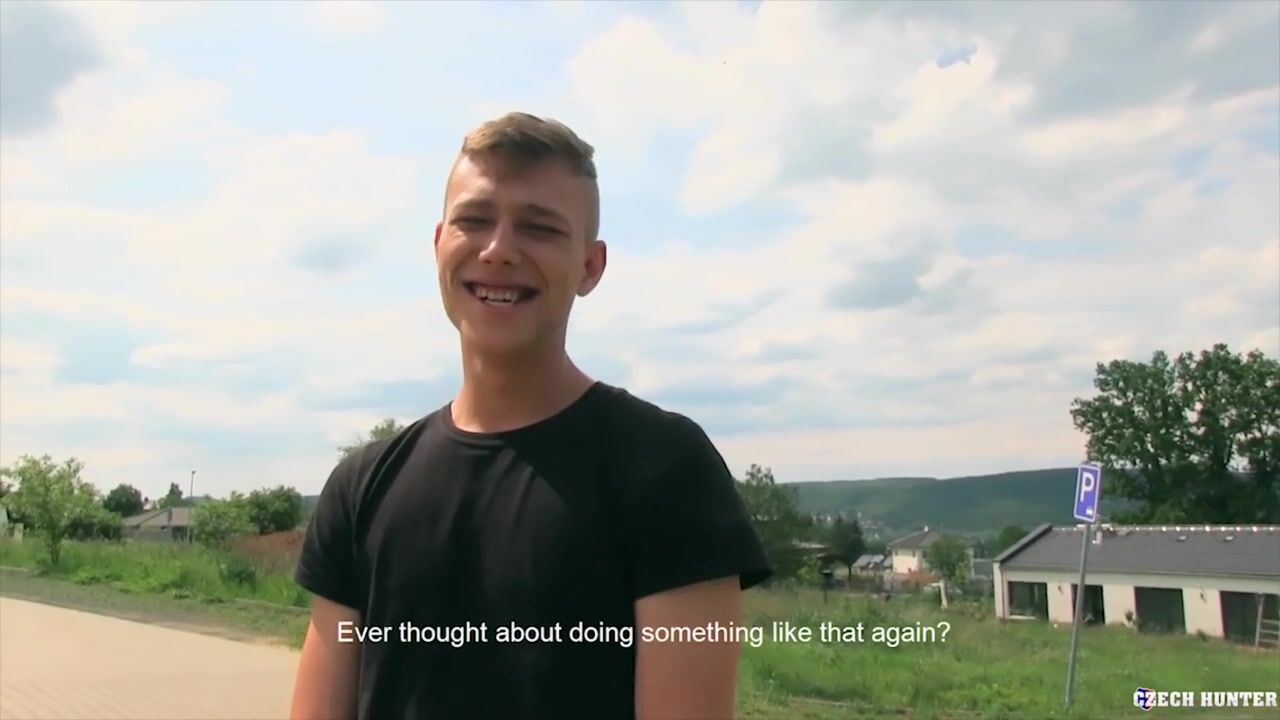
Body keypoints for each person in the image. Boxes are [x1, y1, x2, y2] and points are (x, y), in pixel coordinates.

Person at [290, 111, 772, 720]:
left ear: (590, 267)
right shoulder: (362, 487)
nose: (498, 250)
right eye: (474, 220)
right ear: (439, 244)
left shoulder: (666, 468)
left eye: (539, 228)